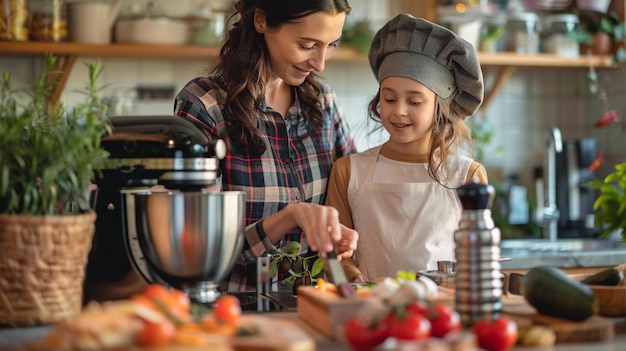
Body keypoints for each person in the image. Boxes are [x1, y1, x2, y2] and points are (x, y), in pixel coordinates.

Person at [173, 0, 358, 296]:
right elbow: (198, 247)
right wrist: (290, 217)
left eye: (331, 45)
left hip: (314, 309)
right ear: (261, 21)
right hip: (232, 313)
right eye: (307, 44)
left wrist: (341, 231)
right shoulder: (205, 105)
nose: (320, 63)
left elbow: (352, 192)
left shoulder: (323, 102)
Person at [325, 13, 488, 283]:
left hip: (441, 312)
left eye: (414, 101)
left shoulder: (468, 176)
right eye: (389, 98)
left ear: (441, 107)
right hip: (369, 309)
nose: (399, 111)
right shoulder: (348, 171)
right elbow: (335, 253)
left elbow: (479, 261)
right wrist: (354, 278)